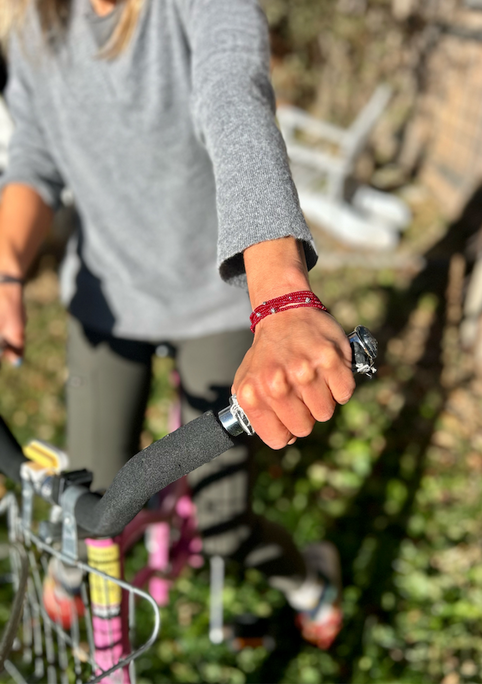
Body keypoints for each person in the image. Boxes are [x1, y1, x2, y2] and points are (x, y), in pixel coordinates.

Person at [0, 0, 355, 649]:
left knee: (224, 524)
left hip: (214, 300)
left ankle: (312, 580)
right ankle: (73, 568)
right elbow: (33, 156)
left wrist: (279, 296)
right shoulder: (34, 26)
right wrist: (5, 271)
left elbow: (232, 94)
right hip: (109, 303)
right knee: (94, 506)